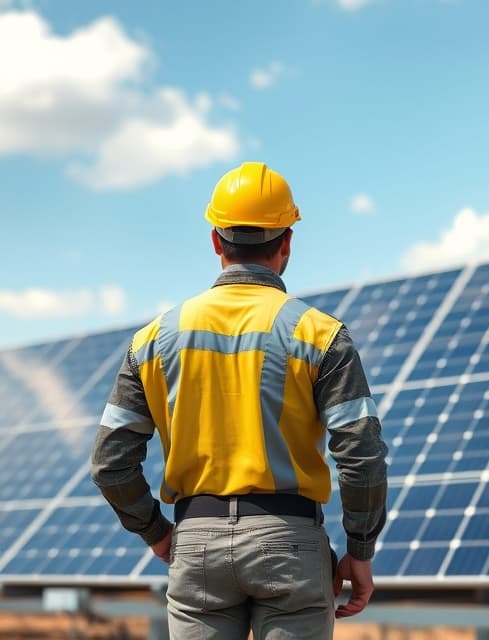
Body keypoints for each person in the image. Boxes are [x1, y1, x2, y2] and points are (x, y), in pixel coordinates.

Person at [91, 161, 388, 639]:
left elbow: (109, 463)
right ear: (287, 242)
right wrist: (361, 546)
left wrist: (158, 534)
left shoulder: (151, 340)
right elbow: (361, 455)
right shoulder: (321, 335)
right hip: (291, 543)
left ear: (215, 240)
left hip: (195, 544)